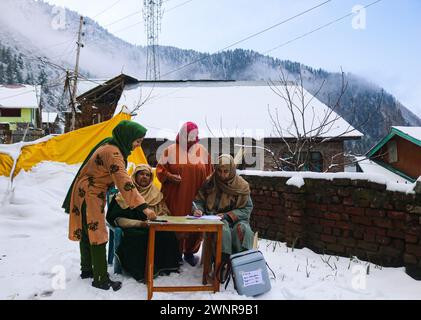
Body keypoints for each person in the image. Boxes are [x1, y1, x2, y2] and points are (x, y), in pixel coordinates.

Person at [62, 120, 156, 292]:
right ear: (127, 137)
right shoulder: (113, 154)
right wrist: (143, 207)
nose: (137, 146)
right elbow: (124, 182)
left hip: (85, 191)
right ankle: (100, 278)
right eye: (137, 141)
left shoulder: (110, 144)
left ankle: (87, 270)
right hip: (90, 193)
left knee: (87, 231)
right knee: (97, 232)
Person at [106, 164, 181, 281]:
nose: (144, 177)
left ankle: (165, 267)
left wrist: (158, 219)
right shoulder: (124, 194)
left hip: (152, 226)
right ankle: (141, 271)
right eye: (141, 174)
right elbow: (118, 219)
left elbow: (165, 213)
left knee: (167, 234)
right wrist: (140, 224)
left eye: (147, 175)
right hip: (133, 227)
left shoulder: (155, 194)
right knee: (138, 237)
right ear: (135, 176)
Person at [156, 122, 213, 266]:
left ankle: (189, 252)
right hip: (176, 195)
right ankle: (174, 252)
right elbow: (160, 170)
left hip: (197, 195)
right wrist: (169, 176)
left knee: (195, 221)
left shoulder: (202, 151)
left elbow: (210, 172)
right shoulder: (169, 150)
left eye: (194, 134)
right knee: (176, 221)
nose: (192, 137)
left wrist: (208, 182)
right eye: (189, 134)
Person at [192, 154, 254, 261]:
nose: (222, 175)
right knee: (222, 229)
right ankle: (221, 264)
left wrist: (227, 216)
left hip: (237, 220)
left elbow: (247, 209)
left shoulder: (241, 186)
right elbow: (199, 201)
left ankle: (240, 263)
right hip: (214, 218)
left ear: (232, 170)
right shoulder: (210, 182)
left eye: (226, 171)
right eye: (219, 171)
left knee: (243, 230)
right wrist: (198, 210)